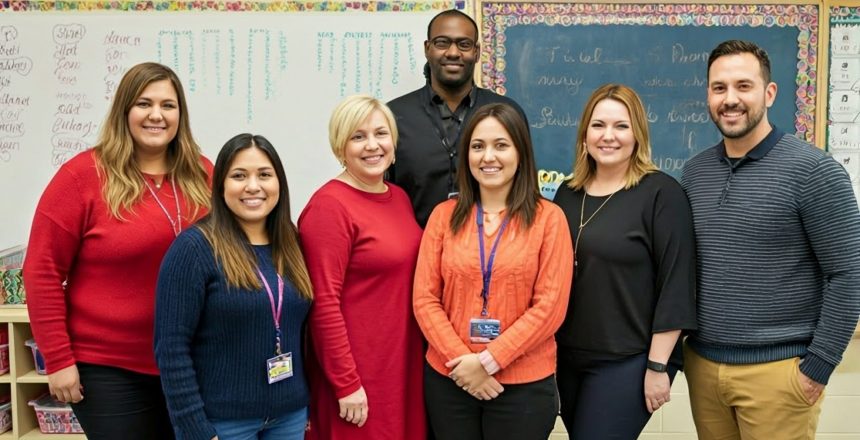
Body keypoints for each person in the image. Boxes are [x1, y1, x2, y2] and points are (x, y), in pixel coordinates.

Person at [22, 62, 212, 439]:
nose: (156, 115)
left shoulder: (204, 175)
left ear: (180, 115)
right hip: (108, 368)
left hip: (189, 365)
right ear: (124, 110)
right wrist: (58, 360)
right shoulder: (82, 177)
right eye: (144, 103)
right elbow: (41, 270)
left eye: (168, 105)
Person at [681, 40, 860, 439]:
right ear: (708, 95)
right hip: (703, 367)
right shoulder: (695, 173)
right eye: (719, 87)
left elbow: (847, 275)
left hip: (779, 374)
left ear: (770, 92)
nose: (730, 99)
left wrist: (818, 366)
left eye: (744, 86)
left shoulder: (815, 172)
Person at [413, 102, 573, 439]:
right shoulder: (444, 216)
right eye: (477, 146)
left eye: (501, 145)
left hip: (523, 388)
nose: (488, 157)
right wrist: (463, 363)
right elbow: (425, 300)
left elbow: (550, 308)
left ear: (521, 152)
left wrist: (488, 361)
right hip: (451, 380)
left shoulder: (549, 218)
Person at [551, 83, 697, 438]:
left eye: (621, 126)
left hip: (629, 360)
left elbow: (677, 283)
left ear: (638, 134)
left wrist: (657, 365)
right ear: (584, 133)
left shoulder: (662, 193)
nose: (608, 136)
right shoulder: (565, 194)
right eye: (599, 125)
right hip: (567, 358)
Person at [154, 134, 313, 440]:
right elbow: (171, 348)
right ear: (221, 186)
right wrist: (195, 429)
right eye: (239, 176)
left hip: (289, 417)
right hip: (223, 423)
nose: (253, 186)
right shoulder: (194, 249)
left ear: (279, 183)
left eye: (264, 175)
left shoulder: (292, 244)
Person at [298, 95, 426, 439]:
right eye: (358, 136)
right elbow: (323, 303)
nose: (373, 145)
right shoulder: (329, 207)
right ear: (341, 146)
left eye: (380, 134)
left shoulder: (397, 198)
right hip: (358, 379)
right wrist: (346, 383)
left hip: (401, 368)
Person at [388, 9, 528, 228]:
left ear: (477, 51)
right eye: (442, 43)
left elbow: (525, 187)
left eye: (464, 44)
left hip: (494, 253)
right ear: (428, 48)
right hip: (414, 254)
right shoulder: (395, 116)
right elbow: (381, 195)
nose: (453, 52)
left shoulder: (505, 112)